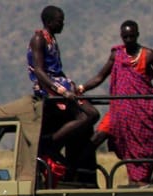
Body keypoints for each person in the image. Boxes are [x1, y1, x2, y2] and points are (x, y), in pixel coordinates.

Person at [79, 20, 153, 187]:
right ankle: (83, 178)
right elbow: (100, 77)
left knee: (145, 149)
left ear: (137, 35)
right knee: (97, 138)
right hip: (119, 112)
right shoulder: (117, 55)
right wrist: (82, 88)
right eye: (125, 37)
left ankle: (143, 182)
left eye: (131, 36)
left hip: (143, 112)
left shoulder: (148, 55)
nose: (128, 40)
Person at [28, 5, 100, 186]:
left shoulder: (52, 39)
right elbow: (39, 70)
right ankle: (50, 143)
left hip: (60, 83)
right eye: (60, 21)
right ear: (49, 22)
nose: (63, 24)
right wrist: (61, 90)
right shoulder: (39, 38)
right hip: (49, 87)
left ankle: (59, 146)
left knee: (89, 115)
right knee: (91, 114)